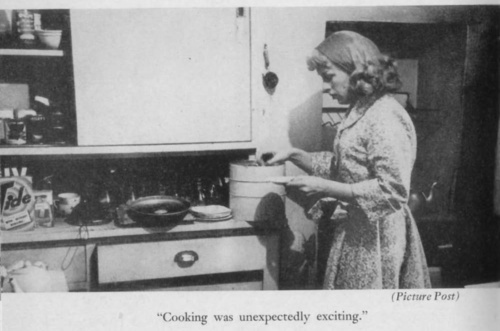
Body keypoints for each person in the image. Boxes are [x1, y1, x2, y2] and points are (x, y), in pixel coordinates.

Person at [261, 31, 431, 289]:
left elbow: (394, 190)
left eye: (329, 77)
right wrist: (294, 155)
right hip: (359, 232)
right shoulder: (362, 108)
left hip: (376, 239)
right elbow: (345, 167)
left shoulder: (384, 116)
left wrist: (325, 187)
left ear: (355, 71)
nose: (326, 88)